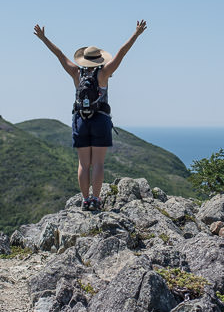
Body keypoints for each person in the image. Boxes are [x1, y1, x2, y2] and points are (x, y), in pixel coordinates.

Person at [33, 20, 148, 211]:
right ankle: (95, 199)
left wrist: (44, 38)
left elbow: (59, 54)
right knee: (98, 164)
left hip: (81, 119)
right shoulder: (104, 73)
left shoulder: (75, 72)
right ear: (100, 60)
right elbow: (122, 53)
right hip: (100, 119)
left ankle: (85, 200)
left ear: (83, 60)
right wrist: (135, 34)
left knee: (84, 164)